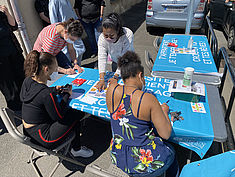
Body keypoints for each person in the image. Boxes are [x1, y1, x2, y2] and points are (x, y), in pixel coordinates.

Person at [106, 51, 179, 177]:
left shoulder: (111, 90)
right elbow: (166, 134)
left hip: (119, 155)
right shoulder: (147, 98)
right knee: (171, 150)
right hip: (143, 162)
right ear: (140, 76)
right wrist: (164, 111)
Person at [20, 50, 93, 157]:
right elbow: (59, 116)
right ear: (46, 69)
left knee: (71, 114)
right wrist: (67, 94)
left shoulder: (28, 80)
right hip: (43, 138)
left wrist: (55, 89)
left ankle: (75, 143)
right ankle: (76, 149)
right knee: (76, 114)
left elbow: (36, 97)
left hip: (28, 132)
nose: (55, 72)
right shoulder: (46, 94)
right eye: (55, 69)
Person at [96, 13, 134, 91]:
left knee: (129, 88)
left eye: (112, 35)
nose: (108, 38)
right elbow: (102, 57)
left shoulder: (127, 34)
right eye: (106, 35)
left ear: (118, 31)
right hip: (115, 62)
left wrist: (115, 76)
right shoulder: (101, 38)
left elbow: (125, 58)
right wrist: (102, 79)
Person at [0, 5, 25, 111]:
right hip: (1, 60)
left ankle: (28, 100)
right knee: (9, 85)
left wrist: (7, 12)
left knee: (22, 76)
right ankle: (16, 109)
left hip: (14, 52)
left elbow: (14, 26)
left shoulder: (1, 15)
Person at [49, 0, 85, 66]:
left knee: (80, 49)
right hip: (64, 31)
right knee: (66, 53)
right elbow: (53, 17)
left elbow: (70, 11)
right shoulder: (54, 1)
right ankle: (69, 68)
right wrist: (58, 31)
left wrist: (76, 20)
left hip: (73, 28)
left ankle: (77, 65)